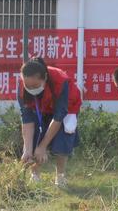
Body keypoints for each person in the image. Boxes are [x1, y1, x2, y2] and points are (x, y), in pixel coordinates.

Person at [18, 57, 82, 187]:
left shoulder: (60, 80)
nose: (31, 89)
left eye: (35, 86)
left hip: (66, 109)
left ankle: (60, 177)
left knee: (63, 136)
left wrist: (42, 147)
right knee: (35, 137)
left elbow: (59, 116)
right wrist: (28, 150)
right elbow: (27, 119)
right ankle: (34, 175)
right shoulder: (22, 86)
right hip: (41, 108)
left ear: (45, 78)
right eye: (27, 86)